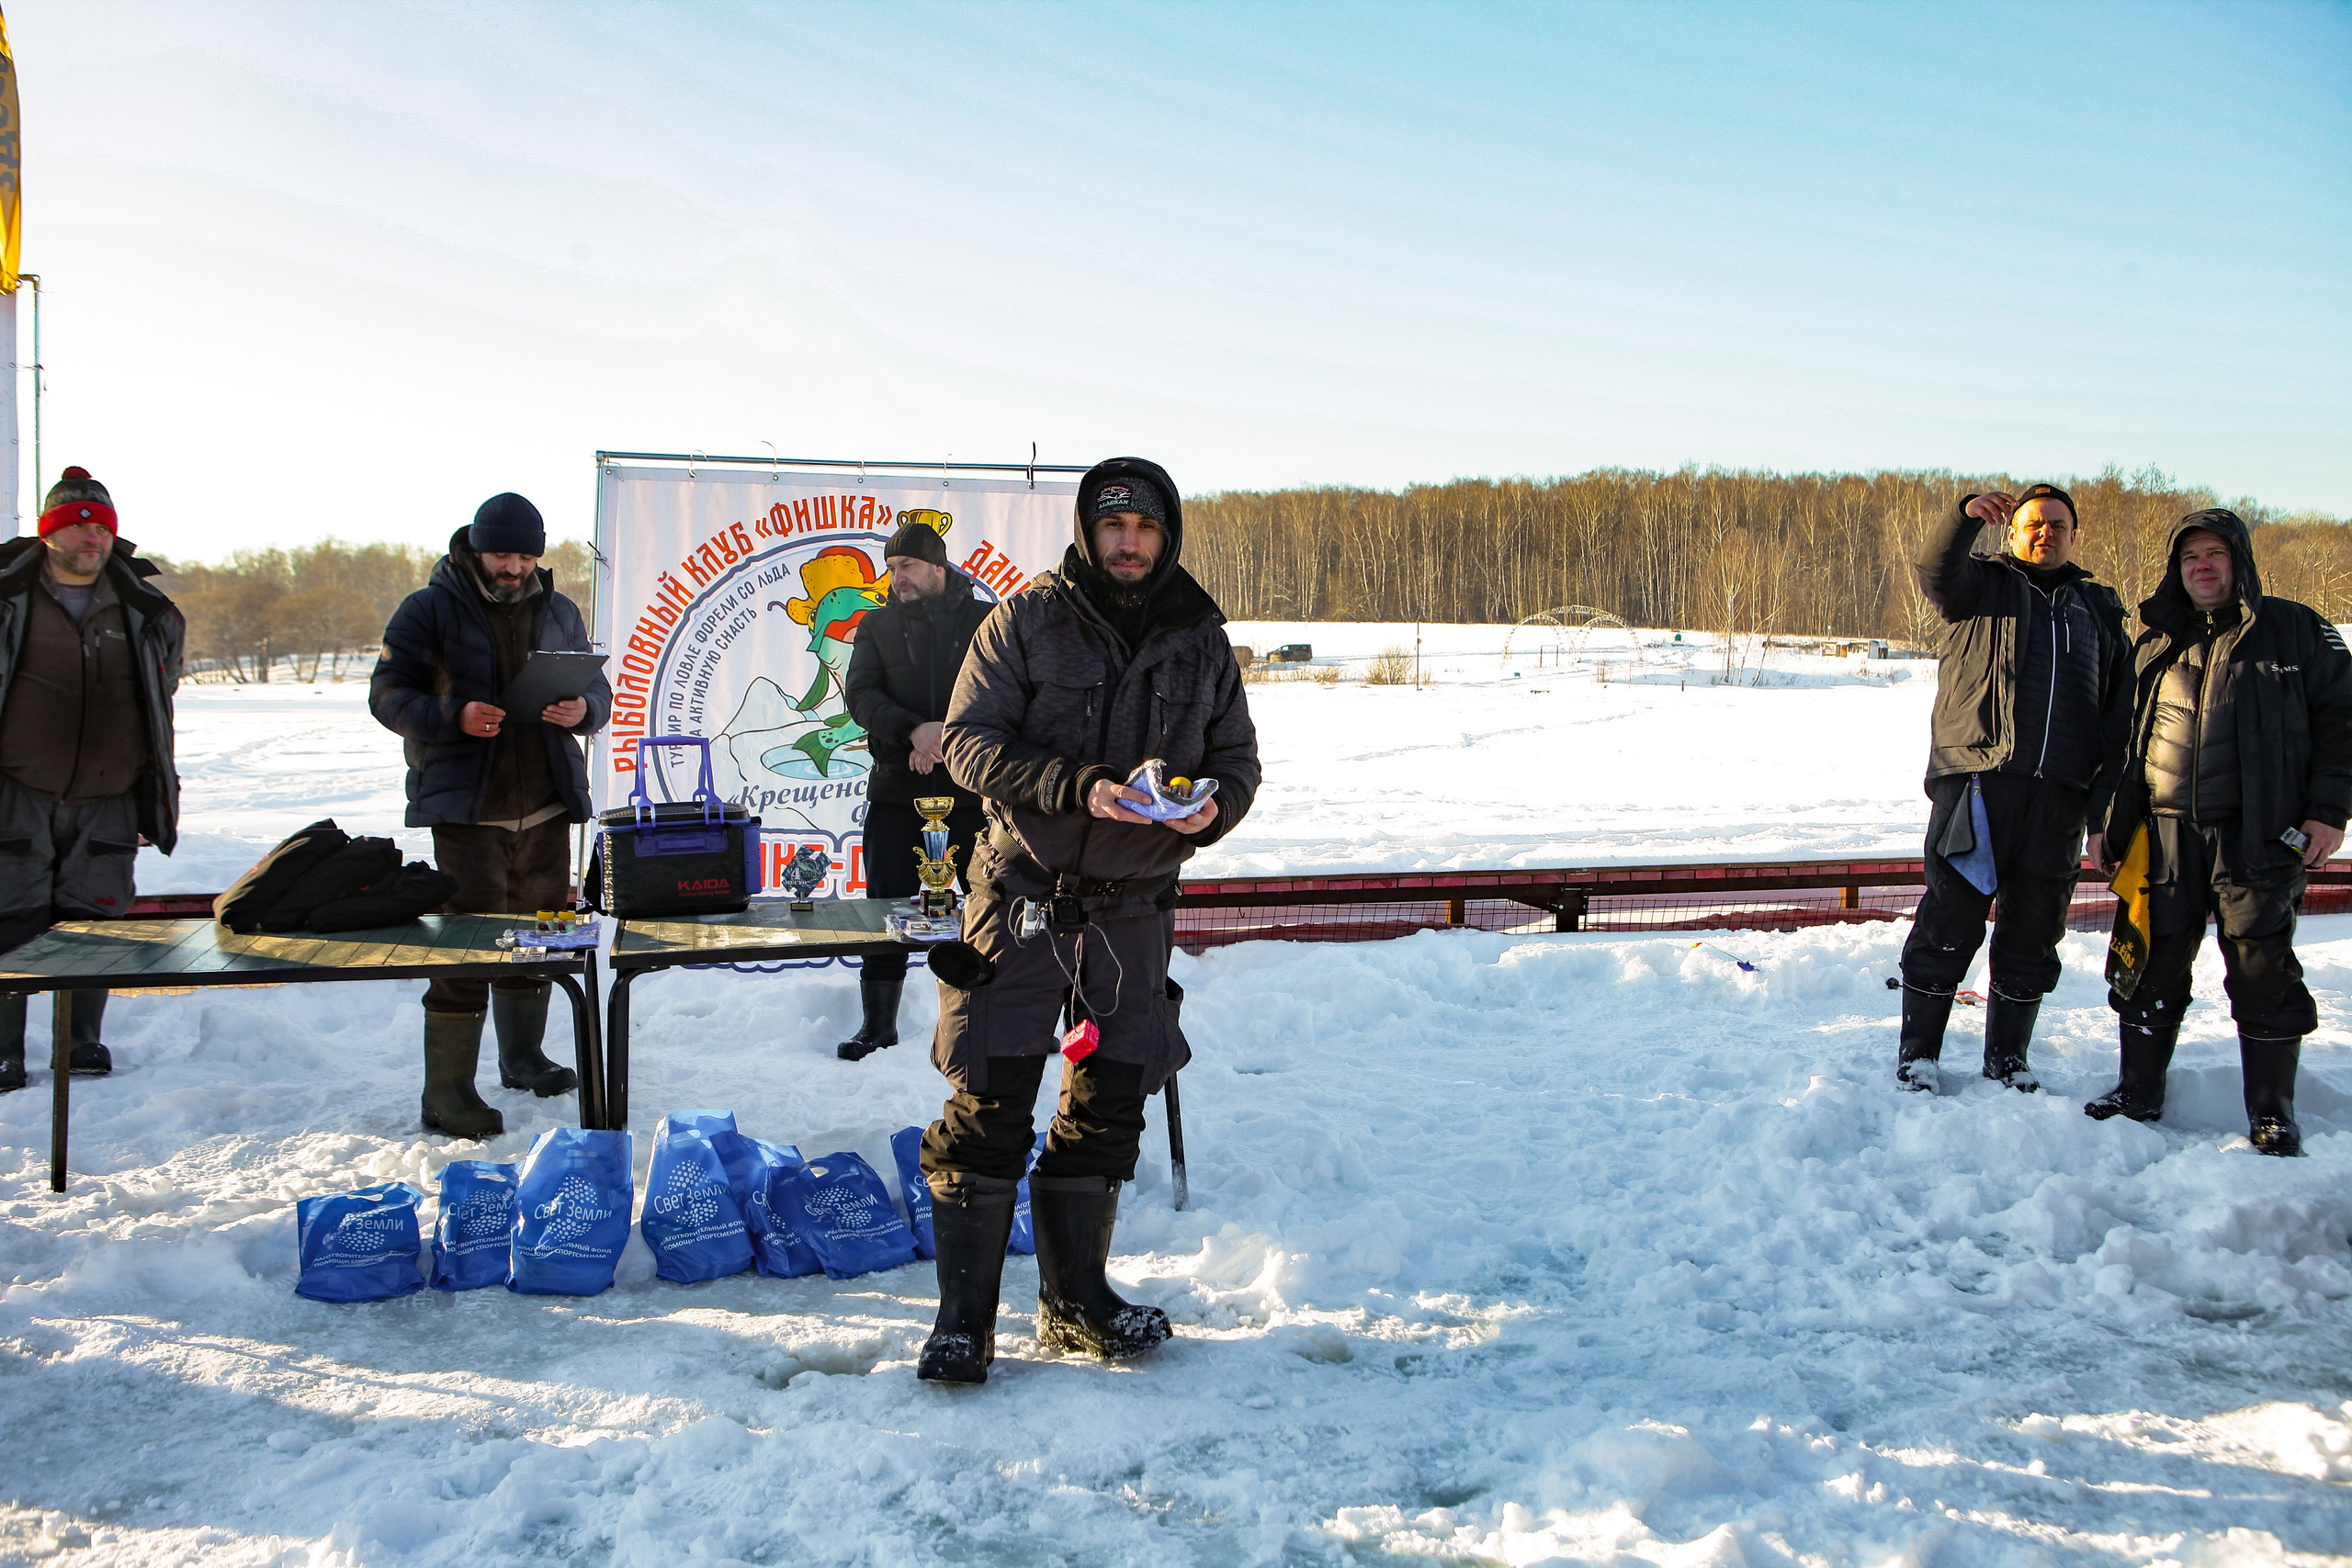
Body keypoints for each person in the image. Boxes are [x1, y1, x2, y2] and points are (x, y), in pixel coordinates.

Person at [914, 457, 1260, 1383]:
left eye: (1145, 528)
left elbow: (1238, 762)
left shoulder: (1201, 641)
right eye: (1113, 527)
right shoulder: (1022, 622)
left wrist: (1211, 808)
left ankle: (1077, 1304)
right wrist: (1077, 788)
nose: (1130, 542)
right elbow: (969, 747)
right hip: (1019, 903)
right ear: (1086, 532)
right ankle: (964, 1323)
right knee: (989, 1100)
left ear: (1167, 535)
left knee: (1109, 1102)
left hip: (1133, 911)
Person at [2087, 510, 2352, 1156]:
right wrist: (2108, 826)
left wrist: (2328, 811)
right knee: (2150, 967)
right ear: (2177, 570)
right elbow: (2122, 744)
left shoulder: (2294, 630)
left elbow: (2344, 721)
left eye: (2214, 554)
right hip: (2166, 835)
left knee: (2263, 971)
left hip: (2259, 835)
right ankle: (2138, 1091)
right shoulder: (2156, 642)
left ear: (2240, 560)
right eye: (2189, 558)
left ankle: (2272, 1111)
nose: (2202, 566)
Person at [369, 493, 611, 1137]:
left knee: (537, 937)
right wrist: (456, 716)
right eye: (504, 553)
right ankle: (446, 1094)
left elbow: (598, 690)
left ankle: (524, 1057)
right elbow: (388, 695)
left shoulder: (559, 608)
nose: (516, 566)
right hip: (467, 810)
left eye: (527, 553)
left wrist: (581, 710)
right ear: (477, 547)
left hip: (547, 805)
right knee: (468, 946)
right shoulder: (427, 609)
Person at [1896, 483, 2132, 1093]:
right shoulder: (1982, 586)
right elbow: (1934, 568)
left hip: (2059, 797)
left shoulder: (2099, 609)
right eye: (2034, 523)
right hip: (1979, 784)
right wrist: (1963, 516)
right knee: (1950, 919)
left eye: (2058, 524)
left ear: (2074, 536)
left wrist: (2103, 809)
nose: (2045, 532)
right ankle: (1919, 1054)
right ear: (2013, 530)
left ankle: (2007, 1058)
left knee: (2034, 930)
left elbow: (2117, 720)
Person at [0, 468, 185, 1092]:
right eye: (78, 527)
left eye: (101, 528)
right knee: (10, 917)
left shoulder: (145, 608)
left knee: (96, 918)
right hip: (16, 789)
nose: (92, 538)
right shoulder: (7, 596)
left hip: (109, 795)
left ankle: (80, 1042)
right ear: (49, 533)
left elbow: (163, 689)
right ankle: (4, 1050)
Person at [837, 520, 993, 1061]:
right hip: (896, 790)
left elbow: (1003, 691)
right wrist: (911, 730)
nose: (896, 577)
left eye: (906, 567)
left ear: (937, 569)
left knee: (986, 907)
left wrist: (945, 736)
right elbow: (860, 697)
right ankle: (878, 1025)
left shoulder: (985, 622)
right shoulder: (876, 627)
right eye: (891, 568)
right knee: (885, 905)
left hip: (974, 790)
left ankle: (995, 1019)